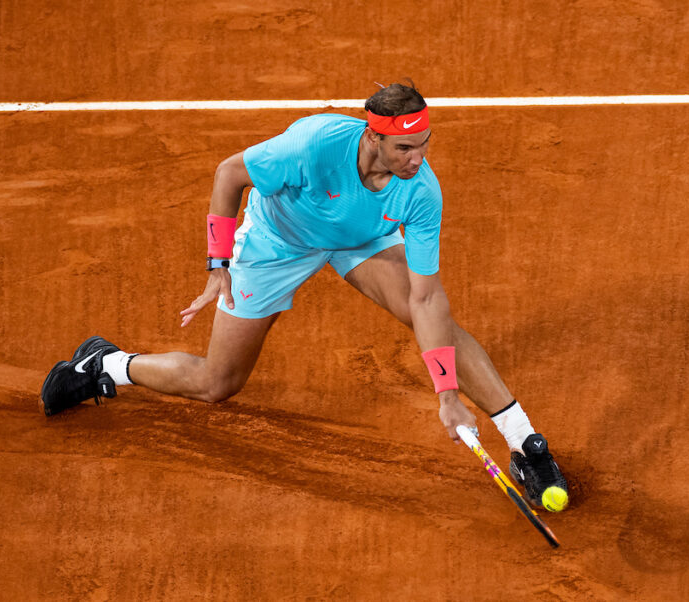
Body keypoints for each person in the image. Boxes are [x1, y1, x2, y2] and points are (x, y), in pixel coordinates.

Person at [39, 82, 570, 510]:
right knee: (216, 383)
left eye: (424, 144)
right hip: (277, 242)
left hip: (360, 238)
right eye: (404, 148)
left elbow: (429, 301)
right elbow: (229, 174)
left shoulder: (420, 189)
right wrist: (218, 265)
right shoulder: (312, 145)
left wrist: (448, 396)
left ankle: (524, 441)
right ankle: (107, 364)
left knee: (432, 319)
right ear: (372, 138)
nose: (417, 158)